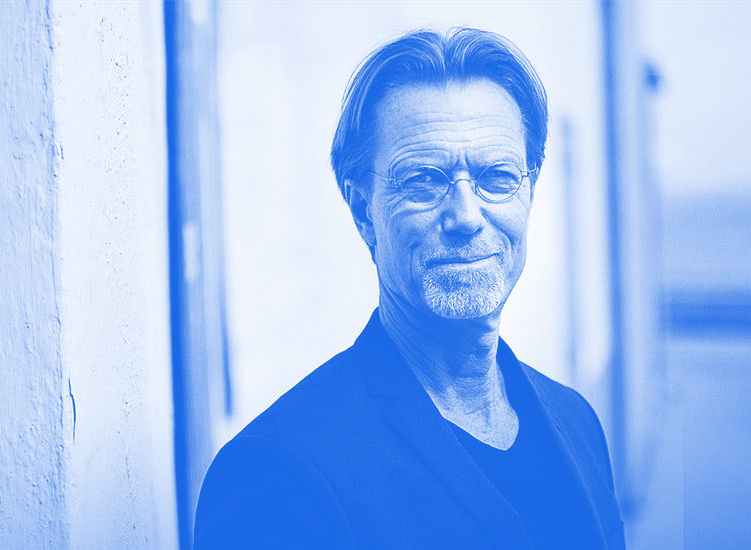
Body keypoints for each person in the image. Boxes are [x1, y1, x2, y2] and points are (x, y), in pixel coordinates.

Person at [192, 28, 625, 549]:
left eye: (496, 177)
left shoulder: (576, 422)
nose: (466, 216)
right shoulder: (279, 473)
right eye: (424, 180)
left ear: (528, 192)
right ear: (363, 212)